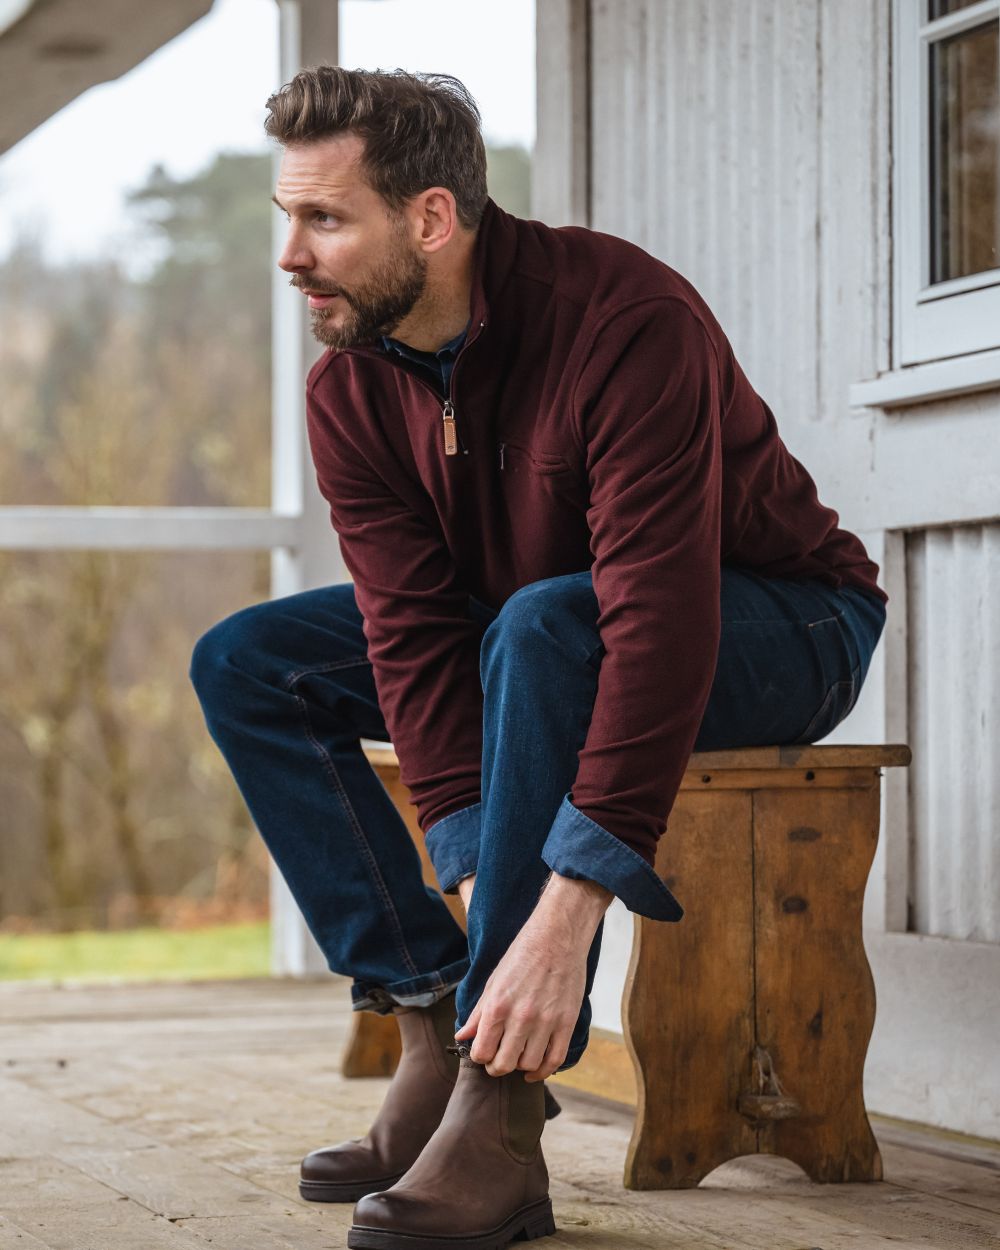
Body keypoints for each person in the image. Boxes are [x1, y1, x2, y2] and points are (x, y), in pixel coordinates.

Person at [189, 65, 888, 1250]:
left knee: (547, 626)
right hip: (537, 625)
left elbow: (654, 621)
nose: (291, 255)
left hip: (785, 622)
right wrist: (464, 860)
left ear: (429, 217)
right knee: (251, 660)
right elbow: (410, 629)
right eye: (286, 217)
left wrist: (562, 914)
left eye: (324, 219)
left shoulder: (622, 321)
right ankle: (430, 1021)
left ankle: (500, 1107)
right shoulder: (350, 382)